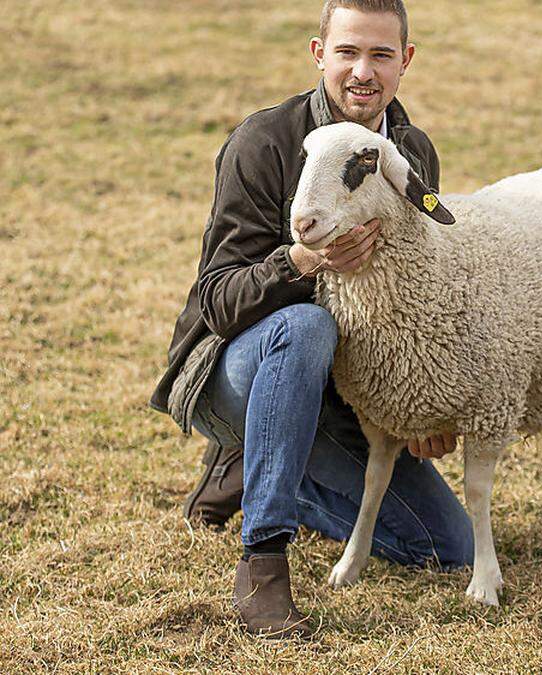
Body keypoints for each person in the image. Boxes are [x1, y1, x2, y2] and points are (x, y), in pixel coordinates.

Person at [149, 0, 473, 639]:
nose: (363, 71)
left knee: (446, 548)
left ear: (405, 62)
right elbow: (218, 301)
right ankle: (262, 560)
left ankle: (263, 468)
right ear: (319, 53)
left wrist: (425, 412)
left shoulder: (410, 152)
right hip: (236, 369)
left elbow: (414, 304)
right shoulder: (264, 141)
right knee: (306, 326)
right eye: (348, 51)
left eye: (381, 54)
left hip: (337, 396)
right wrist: (300, 262)